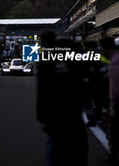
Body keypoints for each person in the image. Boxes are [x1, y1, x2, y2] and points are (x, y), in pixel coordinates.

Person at [37, 30, 87, 166]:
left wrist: (42, 117)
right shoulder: (69, 53)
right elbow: (82, 79)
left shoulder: (46, 59)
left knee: (54, 144)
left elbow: (42, 90)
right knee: (77, 143)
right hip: (74, 108)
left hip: (55, 112)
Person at [100, 36, 119, 166]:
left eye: (101, 49)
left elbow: (116, 89)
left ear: (106, 48)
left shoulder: (115, 63)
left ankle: (116, 157)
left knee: (116, 134)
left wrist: (112, 106)